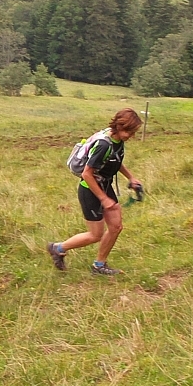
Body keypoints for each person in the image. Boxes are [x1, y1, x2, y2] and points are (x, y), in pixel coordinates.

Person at [47, 108, 144, 276]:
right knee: (95, 234)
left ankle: (99, 265)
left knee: (116, 226)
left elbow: (115, 160)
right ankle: (58, 248)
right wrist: (103, 199)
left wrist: (131, 177)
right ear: (118, 125)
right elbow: (86, 174)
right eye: (128, 131)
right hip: (90, 190)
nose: (130, 135)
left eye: (133, 132)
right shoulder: (103, 144)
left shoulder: (117, 140)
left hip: (104, 186)